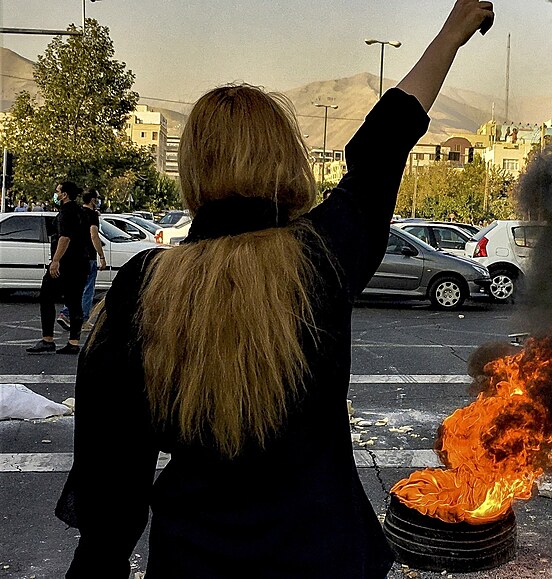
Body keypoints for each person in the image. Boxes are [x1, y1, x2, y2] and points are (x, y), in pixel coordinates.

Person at [54, 2, 494, 577]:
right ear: (285, 158)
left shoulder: (144, 284)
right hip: (326, 557)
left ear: (192, 169)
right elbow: (383, 144)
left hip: (194, 561)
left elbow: (113, 489)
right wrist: (452, 33)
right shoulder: (321, 255)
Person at [26, 182, 91, 354]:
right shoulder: (81, 212)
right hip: (81, 263)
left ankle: (48, 339)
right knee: (75, 301)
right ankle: (73, 342)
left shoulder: (66, 212)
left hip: (66, 264)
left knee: (46, 296)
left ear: (64, 195)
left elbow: (65, 238)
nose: (56, 194)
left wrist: (55, 261)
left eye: (58, 191)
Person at [57, 190, 106, 331]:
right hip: (88, 256)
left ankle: (67, 313)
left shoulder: (78, 212)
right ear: (92, 200)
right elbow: (94, 235)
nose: (98, 201)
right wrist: (101, 255)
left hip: (75, 255)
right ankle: (82, 319)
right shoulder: (91, 215)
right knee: (87, 289)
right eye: (97, 198)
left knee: (76, 288)